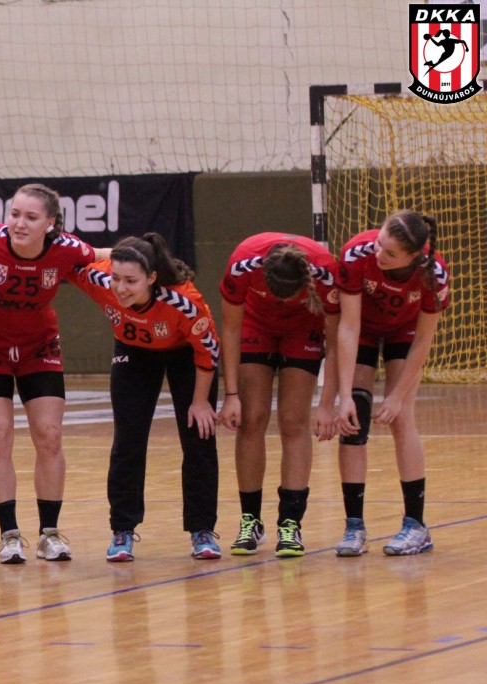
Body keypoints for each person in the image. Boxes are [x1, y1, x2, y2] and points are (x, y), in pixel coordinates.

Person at [0, 184, 98, 563]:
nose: (19, 223)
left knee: (49, 435)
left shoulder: (67, 249)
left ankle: (49, 534)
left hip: (39, 347)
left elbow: (101, 256)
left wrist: (149, 260)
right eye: (15, 214)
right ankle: (9, 536)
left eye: (31, 217)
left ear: (50, 223)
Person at [67, 234, 221, 562]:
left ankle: (202, 530)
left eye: (131, 281)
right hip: (134, 352)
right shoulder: (100, 278)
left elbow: (208, 351)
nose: (120, 288)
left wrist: (200, 402)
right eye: (116, 278)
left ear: (152, 278)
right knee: (128, 441)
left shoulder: (184, 301)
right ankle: (122, 530)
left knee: (199, 437)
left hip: (185, 355)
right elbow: (62, 259)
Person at [330, 210, 448, 557]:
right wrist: (343, 396)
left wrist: (396, 397)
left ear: (413, 256)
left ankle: (416, 525)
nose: (379, 254)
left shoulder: (433, 275)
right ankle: (354, 526)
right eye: (379, 243)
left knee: (402, 417)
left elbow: (423, 341)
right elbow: (348, 326)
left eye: (390, 253)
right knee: (354, 418)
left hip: (405, 331)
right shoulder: (357, 254)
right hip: (363, 329)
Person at [216, 233, 341, 558]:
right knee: (251, 418)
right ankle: (250, 519)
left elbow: (335, 340)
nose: (282, 301)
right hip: (256, 325)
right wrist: (231, 393)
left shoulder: (325, 272)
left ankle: (290, 522)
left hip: (303, 327)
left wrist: (328, 403)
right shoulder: (242, 264)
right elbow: (230, 328)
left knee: (293, 420)